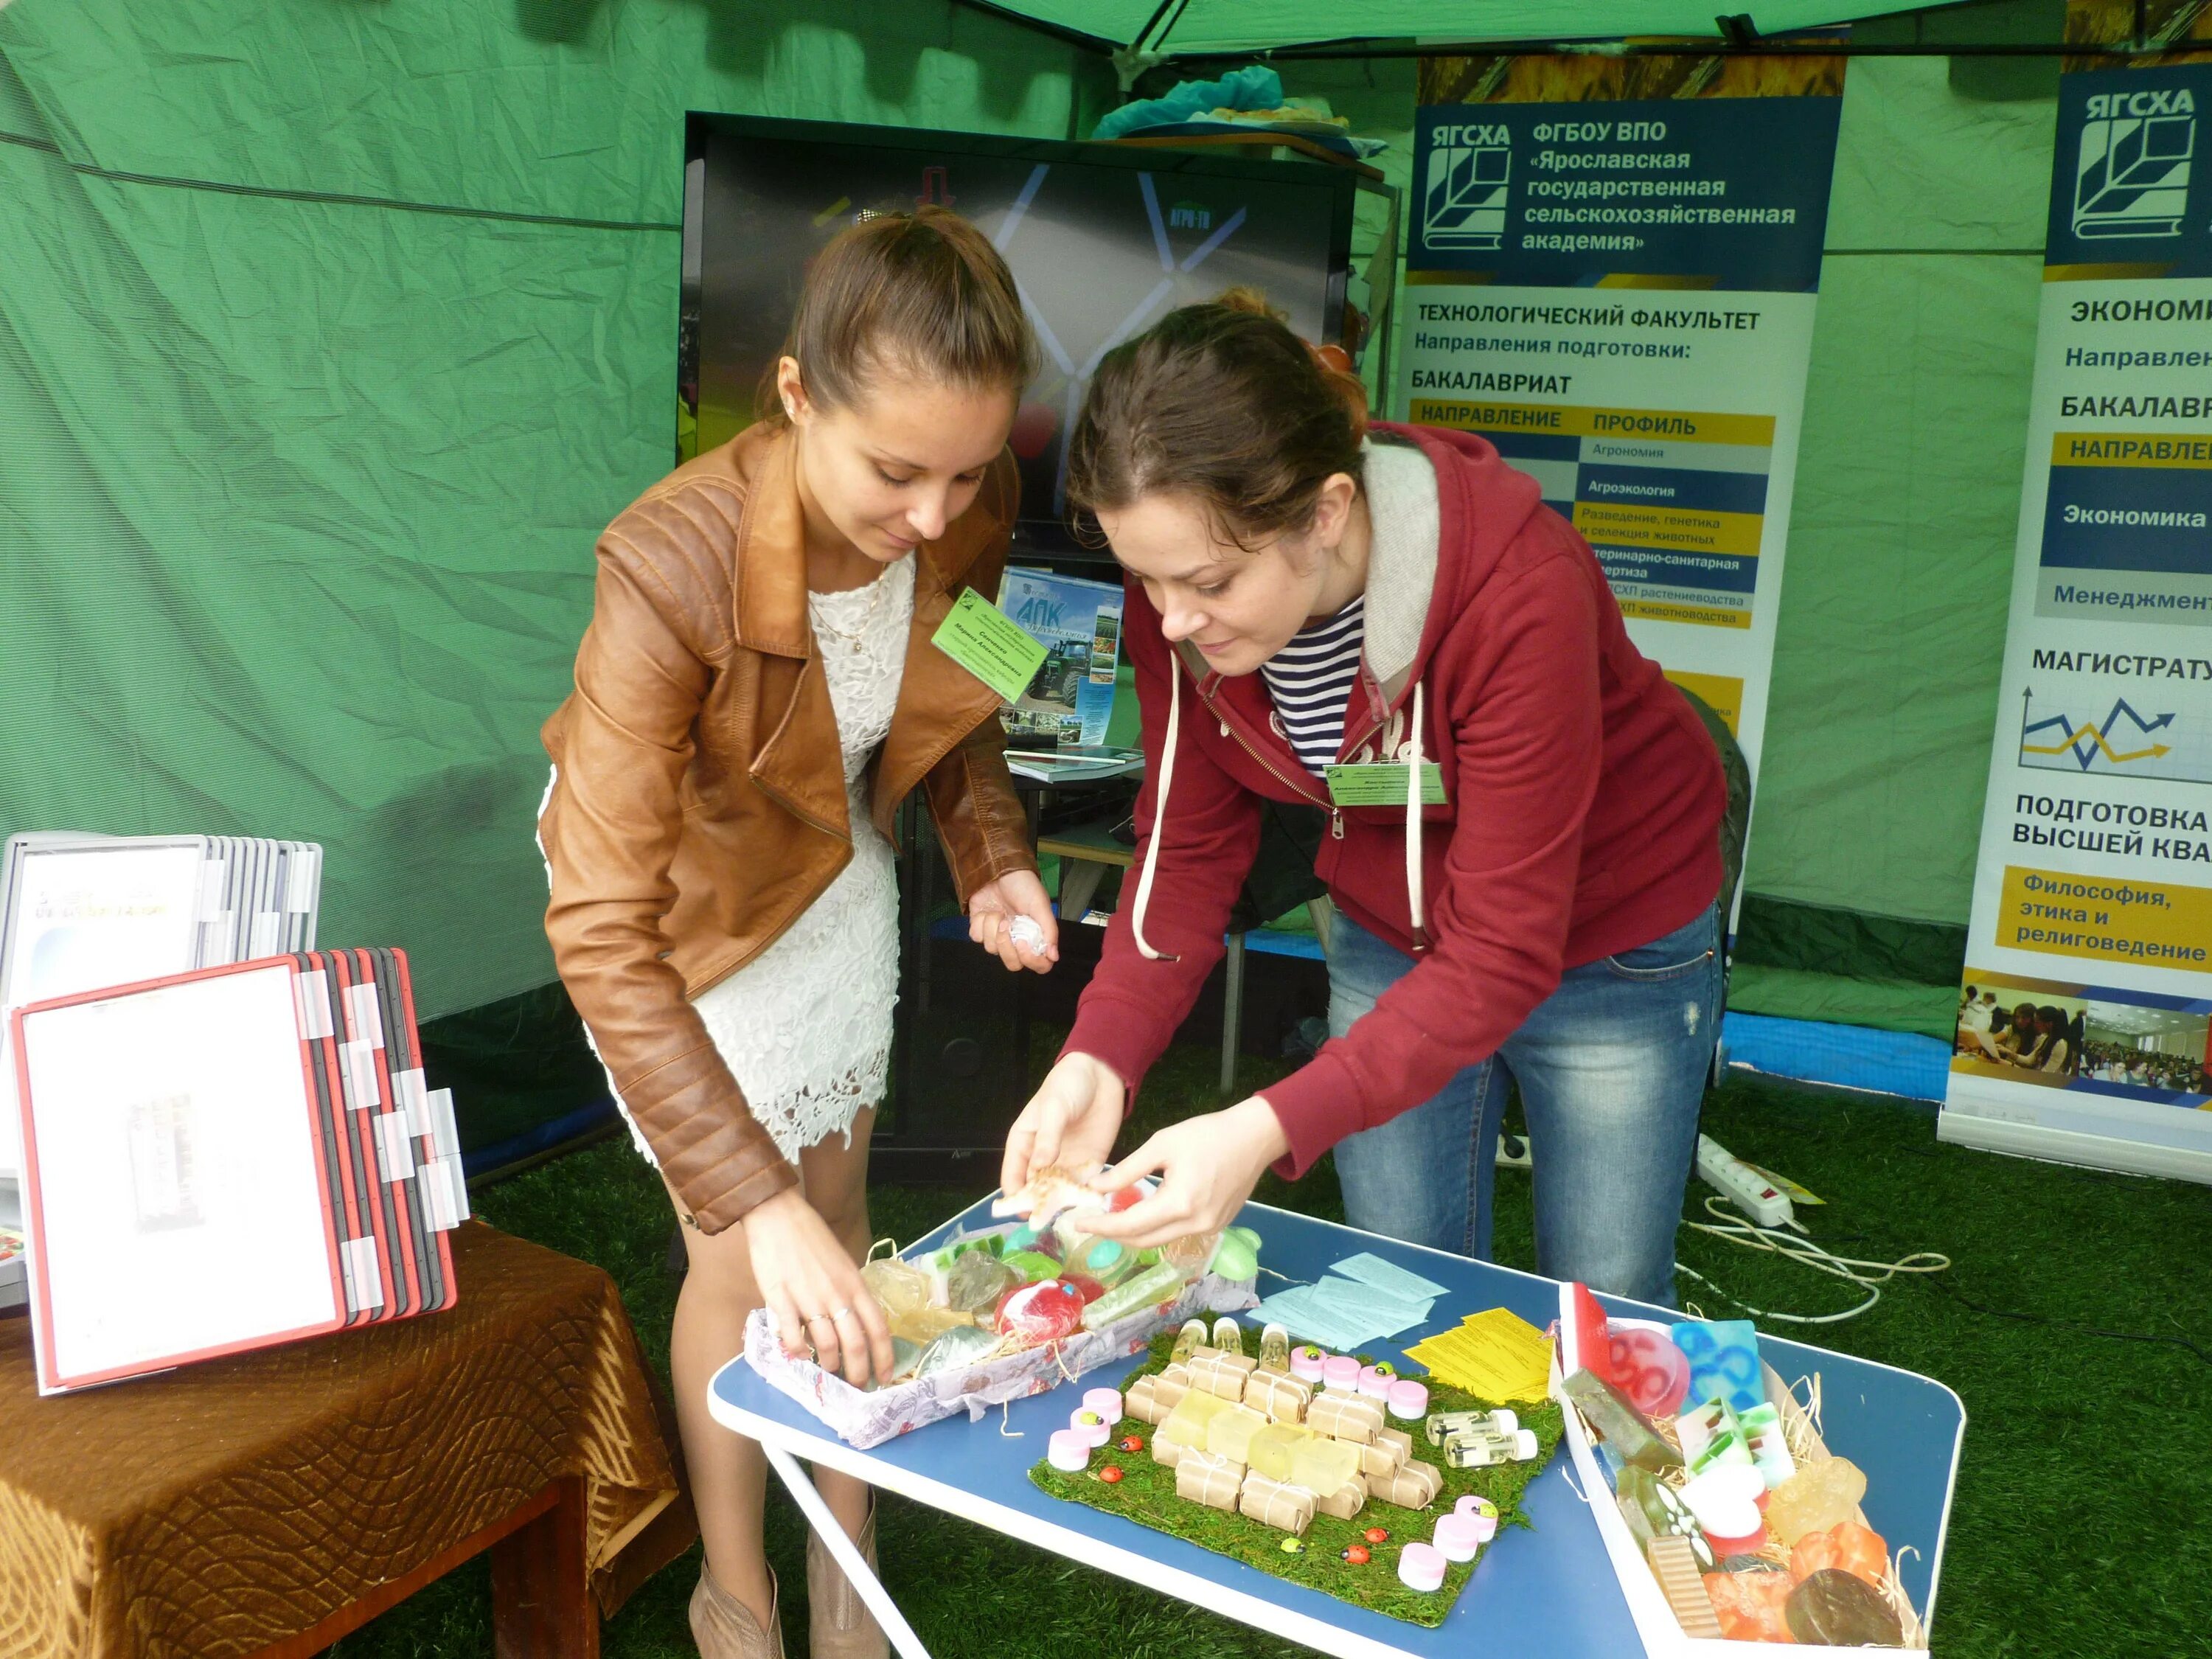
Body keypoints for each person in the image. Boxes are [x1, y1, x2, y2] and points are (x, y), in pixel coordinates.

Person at [538, 208, 1057, 1659]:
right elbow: (600, 927)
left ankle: (846, 1559)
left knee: (841, 1215)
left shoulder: (971, 501)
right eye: (895, 473)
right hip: (681, 906)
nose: (938, 517)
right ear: (793, 397)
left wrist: (990, 856)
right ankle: (739, 1589)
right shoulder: (666, 560)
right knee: (746, 1251)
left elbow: (971, 683)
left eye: (967, 473)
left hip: (835, 874)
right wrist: (746, 1194)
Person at [1000, 298, 1728, 1306]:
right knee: (1401, 1281)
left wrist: (1261, 1129)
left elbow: (1503, 949)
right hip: (1397, 922)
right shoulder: (1176, 590)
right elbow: (1187, 849)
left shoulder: (1521, 589)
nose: (1171, 620)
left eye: (1208, 580)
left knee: (1603, 1294)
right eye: (1144, 579)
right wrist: (1099, 1055)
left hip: (1613, 938)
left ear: (1327, 511)